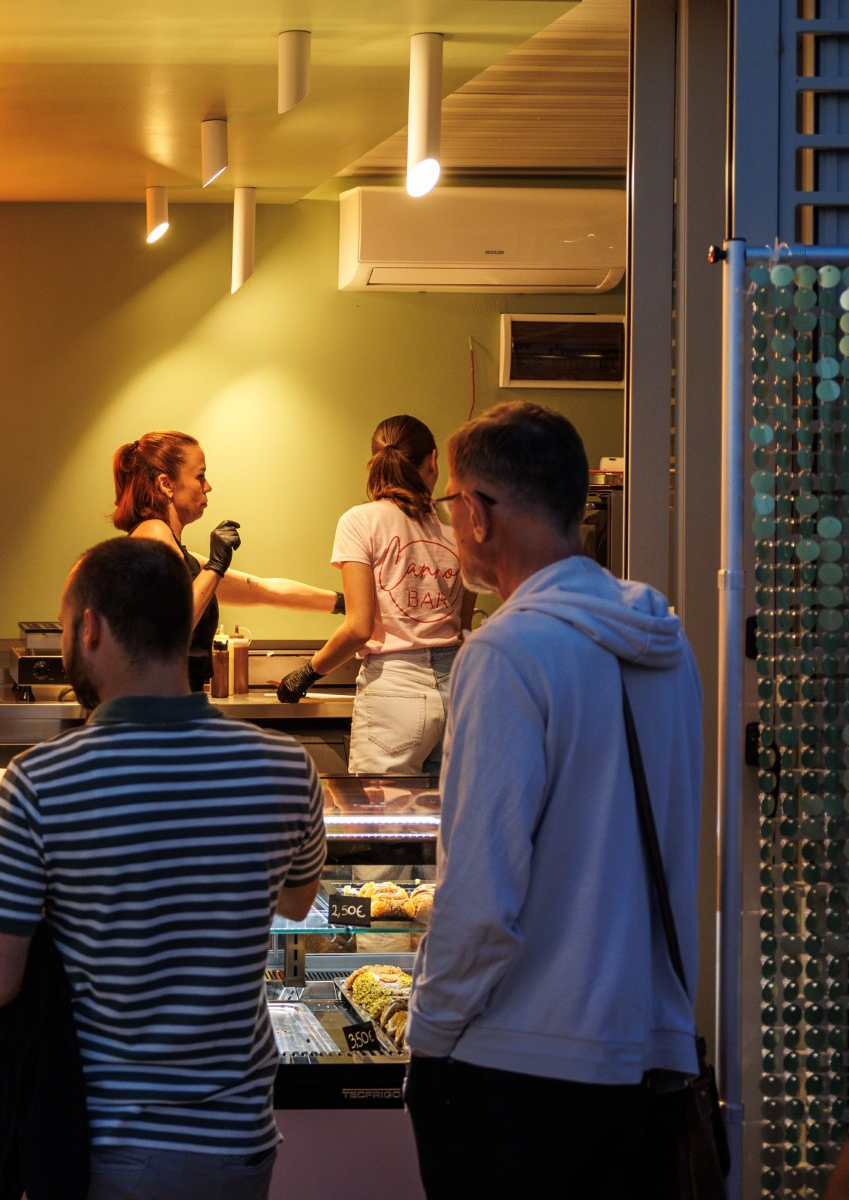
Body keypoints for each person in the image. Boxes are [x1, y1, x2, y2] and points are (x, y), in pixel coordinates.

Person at [0, 537, 326, 1200]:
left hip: (102, 1142)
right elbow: (297, 903)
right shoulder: (285, 767)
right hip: (238, 1141)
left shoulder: (38, 782)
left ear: (89, 629)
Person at [404, 402, 703, 1200]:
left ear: (477, 512)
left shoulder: (507, 652)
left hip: (518, 1064)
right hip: (642, 1054)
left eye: (452, 503)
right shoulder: (668, 646)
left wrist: (429, 1035)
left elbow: (481, 894)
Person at [277, 415, 468, 773]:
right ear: (432, 461)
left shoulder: (360, 521)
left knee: (381, 808)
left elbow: (359, 627)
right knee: (444, 807)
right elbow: (460, 623)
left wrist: (307, 673)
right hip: (458, 691)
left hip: (395, 689)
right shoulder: (455, 532)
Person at [112, 430, 340, 693]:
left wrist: (343, 603)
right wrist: (215, 566)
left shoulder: (181, 557)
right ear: (166, 484)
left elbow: (262, 589)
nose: (208, 486)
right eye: (200, 476)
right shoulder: (153, 532)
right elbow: (172, 628)